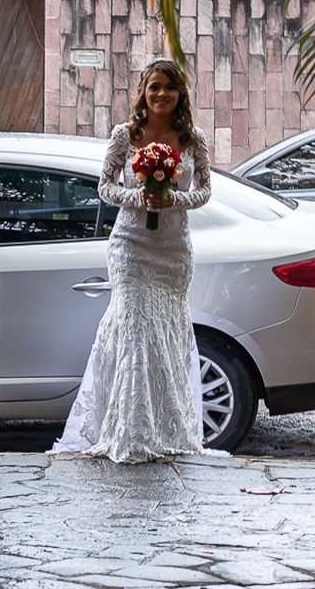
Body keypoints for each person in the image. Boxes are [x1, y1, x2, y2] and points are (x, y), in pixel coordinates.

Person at [49, 60, 212, 463]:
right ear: (143, 91)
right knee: (136, 330)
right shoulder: (126, 135)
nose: (161, 94)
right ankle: (131, 432)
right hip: (131, 249)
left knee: (165, 336)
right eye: (154, 87)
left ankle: (165, 430)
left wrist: (174, 199)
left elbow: (206, 190)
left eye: (169, 88)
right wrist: (139, 197)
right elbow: (105, 187)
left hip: (172, 251)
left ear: (180, 94)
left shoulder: (193, 140)